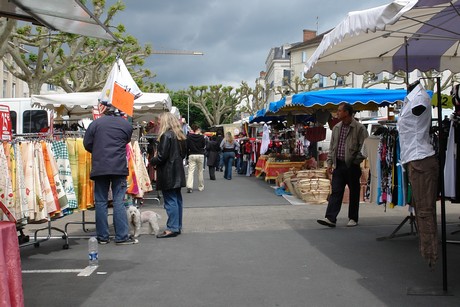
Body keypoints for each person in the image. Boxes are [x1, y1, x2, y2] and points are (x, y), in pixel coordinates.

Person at [83, 103, 137, 245]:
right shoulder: (126, 125)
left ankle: (102, 237)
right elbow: (125, 141)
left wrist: (98, 150)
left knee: (101, 202)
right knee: (119, 201)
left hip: (100, 166)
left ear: (105, 110)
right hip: (118, 167)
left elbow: (87, 143)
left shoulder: (95, 124)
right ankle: (121, 236)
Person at [317, 103, 368, 228]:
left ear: (347, 112)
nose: (337, 113)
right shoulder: (336, 128)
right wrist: (329, 162)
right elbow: (332, 147)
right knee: (336, 191)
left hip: (352, 165)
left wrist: (355, 161)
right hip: (339, 165)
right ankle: (330, 218)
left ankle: (353, 218)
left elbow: (364, 148)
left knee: (354, 192)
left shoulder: (359, 128)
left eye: (339, 111)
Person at [150, 112, 187, 238]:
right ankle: (177, 226)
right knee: (177, 200)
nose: (158, 123)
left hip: (168, 173)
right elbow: (183, 155)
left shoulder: (166, 135)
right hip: (177, 171)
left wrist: (152, 160)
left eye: (159, 121)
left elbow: (161, 157)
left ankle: (172, 227)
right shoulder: (180, 135)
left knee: (170, 201)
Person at [186, 124, 206, 193]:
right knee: (200, 171)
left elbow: (187, 146)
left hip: (192, 154)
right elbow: (203, 145)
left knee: (190, 171)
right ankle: (201, 186)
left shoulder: (189, 137)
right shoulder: (202, 137)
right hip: (200, 155)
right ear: (198, 129)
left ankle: (189, 186)